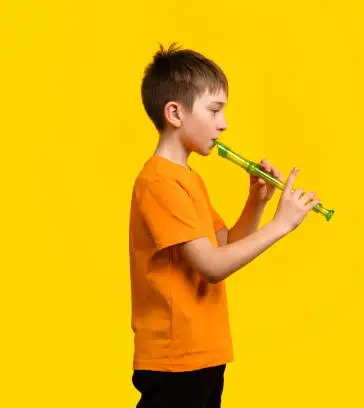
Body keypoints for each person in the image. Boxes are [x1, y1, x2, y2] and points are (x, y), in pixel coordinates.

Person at [129, 42, 320, 408]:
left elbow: (224, 245)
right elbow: (212, 267)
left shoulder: (187, 178)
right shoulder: (159, 183)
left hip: (202, 354)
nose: (224, 123)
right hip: (175, 361)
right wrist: (281, 225)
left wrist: (257, 202)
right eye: (215, 110)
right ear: (175, 113)